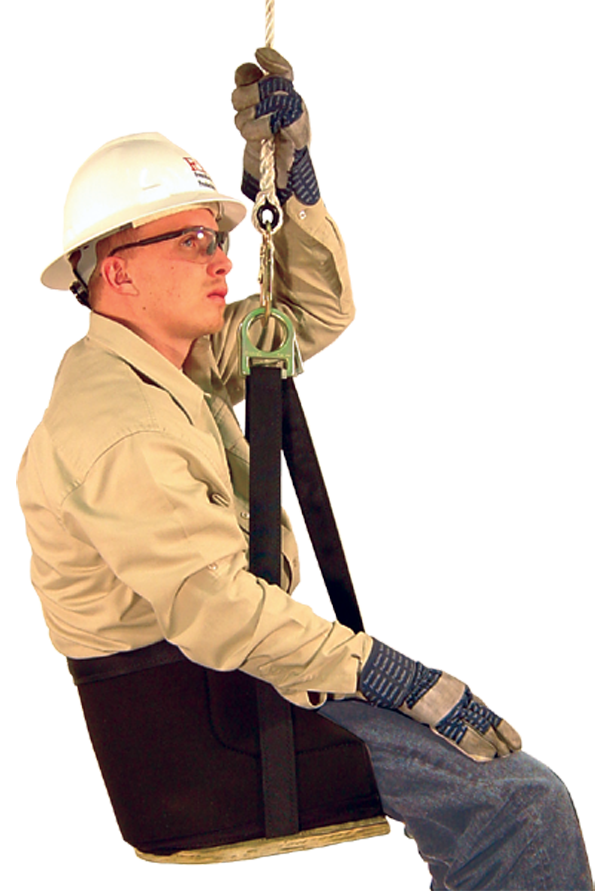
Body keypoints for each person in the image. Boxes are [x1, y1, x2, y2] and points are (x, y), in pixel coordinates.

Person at [16, 50, 592, 890]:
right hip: (202, 733)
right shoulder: (118, 428)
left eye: (218, 235)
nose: (221, 256)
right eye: (192, 239)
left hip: (228, 692)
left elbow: (306, 313)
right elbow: (220, 612)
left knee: (488, 789)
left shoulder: (162, 368)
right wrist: (390, 673)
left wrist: (292, 175)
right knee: (518, 800)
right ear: (119, 270)